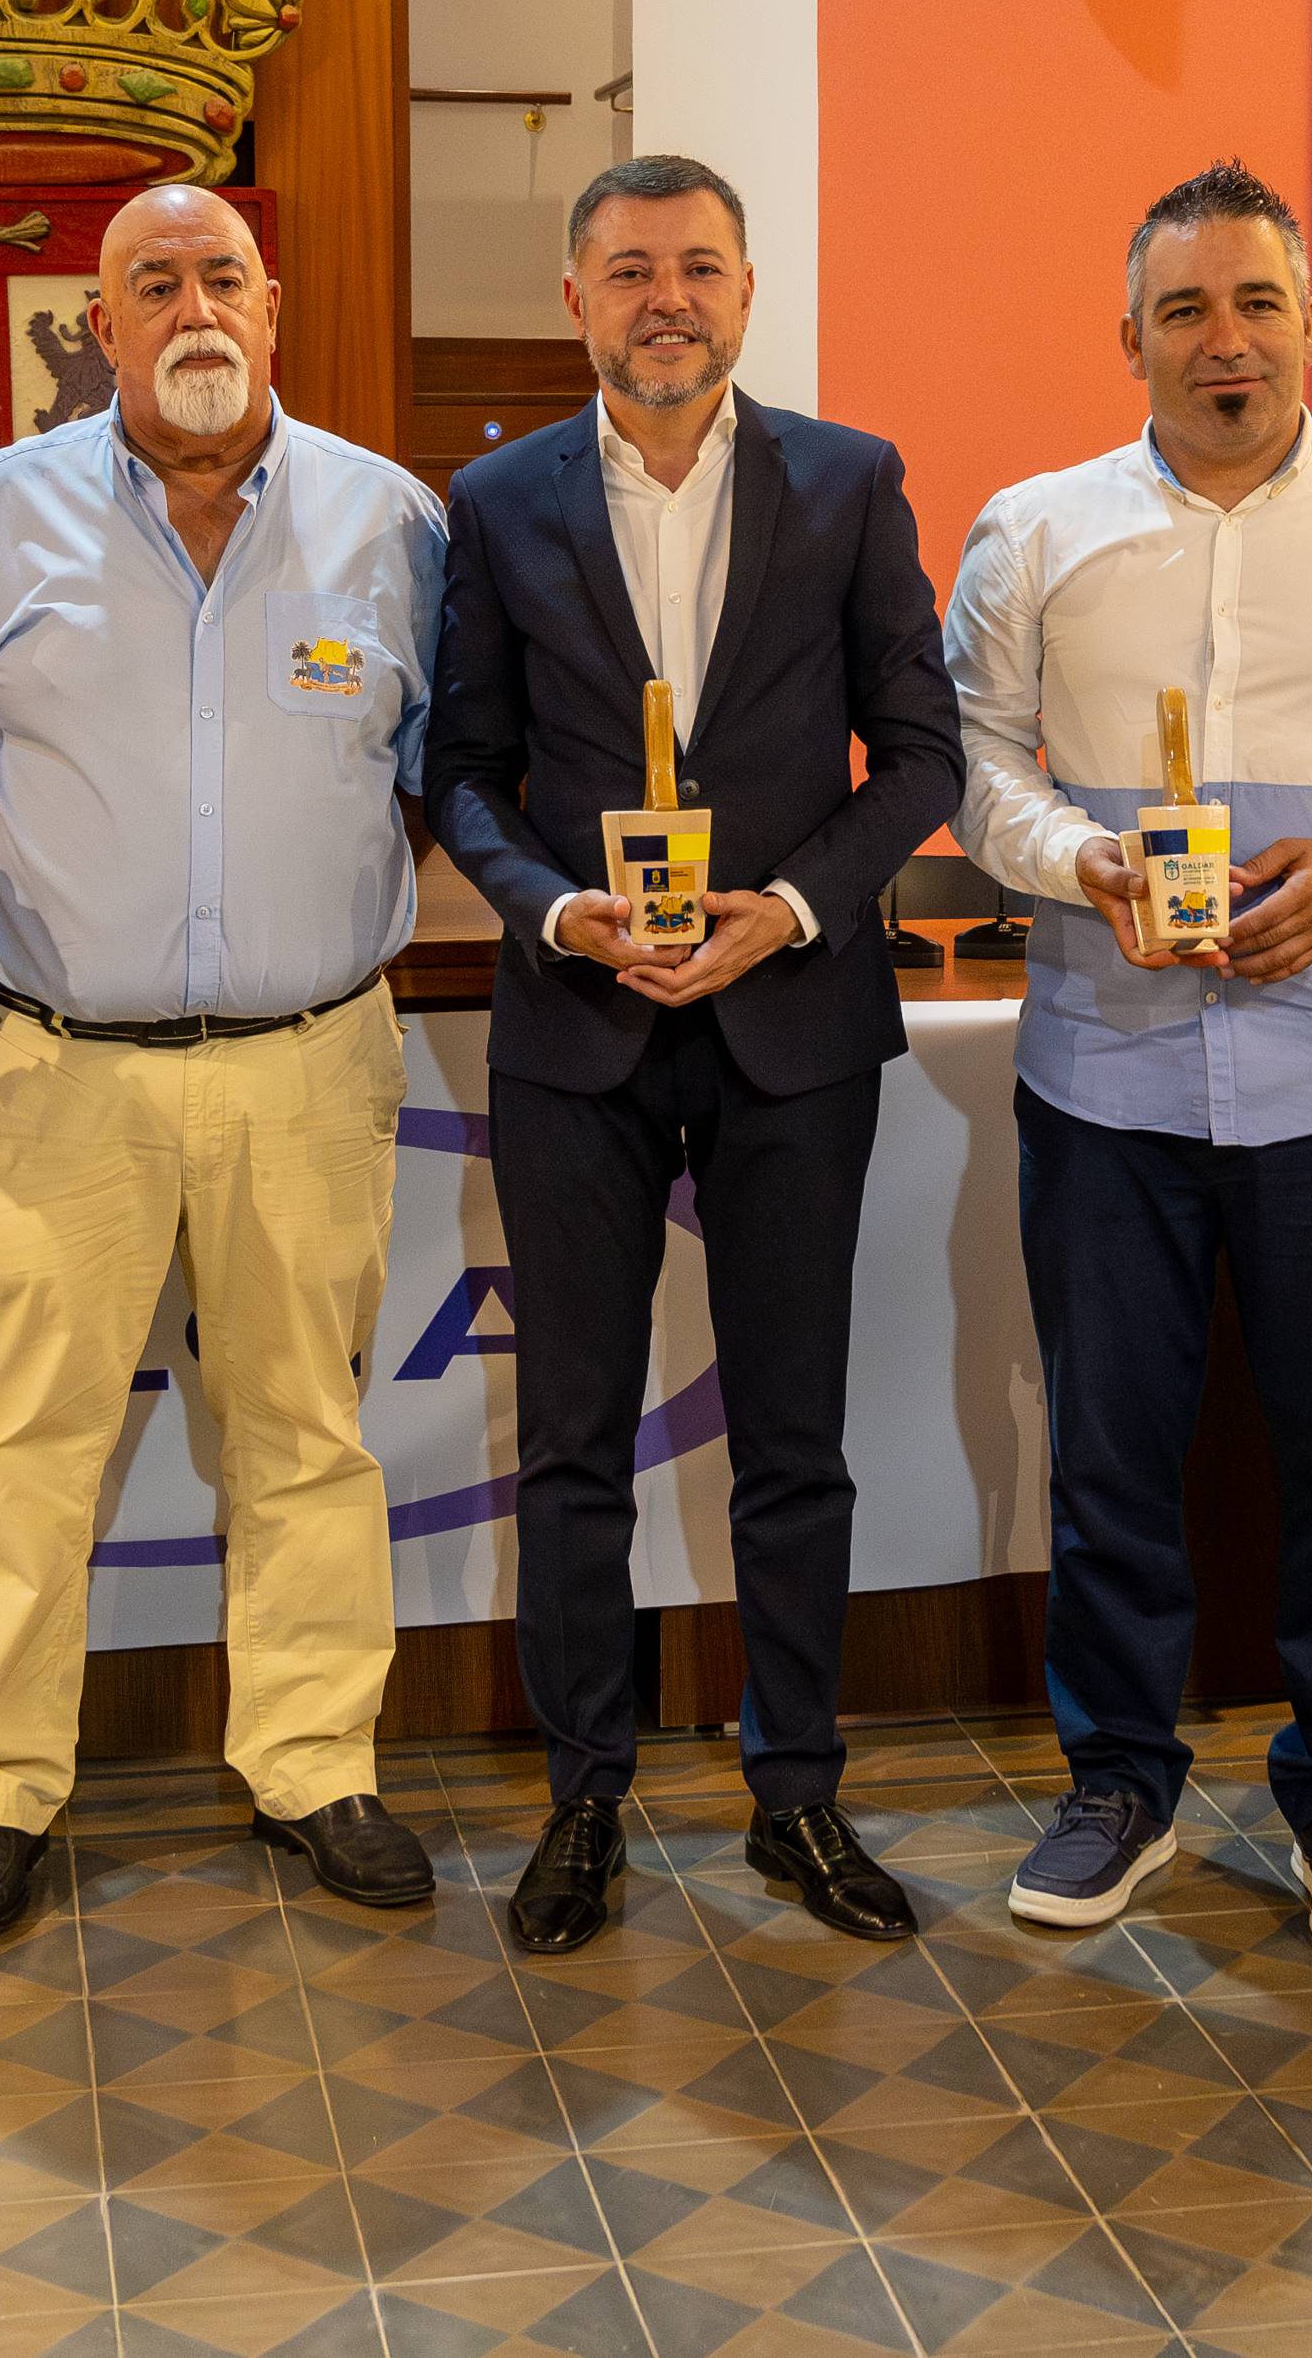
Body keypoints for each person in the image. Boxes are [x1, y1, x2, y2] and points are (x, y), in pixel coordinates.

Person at [943, 159, 1312, 1958]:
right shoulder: (1033, 532)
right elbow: (977, 762)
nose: (1226, 339)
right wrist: (1073, 861)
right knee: (1114, 1450)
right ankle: (1119, 1778)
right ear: (1130, 338)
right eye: (1185, 309)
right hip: (1103, 1074)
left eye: (1258, 302)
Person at [424, 156, 964, 1954]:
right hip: (575, 1020)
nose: (670, 298)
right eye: (631, 269)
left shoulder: (851, 481)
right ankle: (585, 1799)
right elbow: (463, 774)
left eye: (702, 269)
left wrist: (791, 913)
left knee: (792, 1436)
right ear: (573, 296)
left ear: (750, 293)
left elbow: (922, 754)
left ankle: (795, 1795)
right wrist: (556, 911)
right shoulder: (493, 502)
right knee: (573, 1432)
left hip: (791, 1020)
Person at [0, 184, 447, 1937]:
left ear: (271, 309)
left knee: (303, 1432)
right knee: (29, 1446)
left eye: (223, 277)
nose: (194, 306)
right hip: (64, 1071)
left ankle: (315, 1763)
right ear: (103, 327)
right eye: (156, 283)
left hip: (309, 1062)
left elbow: (434, 772)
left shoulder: (394, 524)